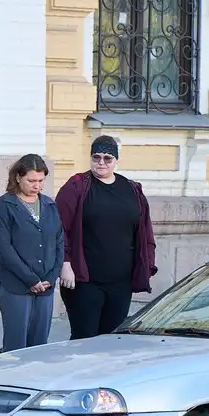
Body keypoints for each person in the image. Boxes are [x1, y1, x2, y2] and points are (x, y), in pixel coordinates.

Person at [55, 135, 157, 339]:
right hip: (85, 281)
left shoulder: (132, 189)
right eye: (96, 157)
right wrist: (65, 264)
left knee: (111, 340)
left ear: (116, 160)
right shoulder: (77, 186)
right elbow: (59, 229)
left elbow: (145, 230)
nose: (101, 162)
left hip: (121, 281)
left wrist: (147, 264)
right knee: (85, 338)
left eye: (107, 158)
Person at [0, 154, 64, 351]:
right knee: (16, 346)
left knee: (38, 347)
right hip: (15, 287)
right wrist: (30, 279)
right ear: (18, 177)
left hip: (46, 287)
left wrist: (52, 277)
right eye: (31, 181)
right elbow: (4, 249)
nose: (36, 186)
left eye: (40, 181)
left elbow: (59, 242)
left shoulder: (50, 205)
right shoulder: (5, 206)